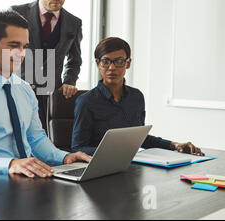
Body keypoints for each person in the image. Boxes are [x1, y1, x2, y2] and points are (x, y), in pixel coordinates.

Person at [0, 10, 91, 180]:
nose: (21, 54)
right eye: (14, 46)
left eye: (25, 47)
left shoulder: (24, 89)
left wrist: (64, 157)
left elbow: (36, 139)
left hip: (28, 182)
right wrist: (9, 164)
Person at [71, 37, 204, 156]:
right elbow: (78, 149)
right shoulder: (86, 101)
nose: (111, 67)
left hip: (131, 166)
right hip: (99, 168)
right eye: (105, 61)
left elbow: (140, 138)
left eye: (118, 61)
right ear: (97, 63)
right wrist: (116, 150)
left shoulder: (136, 97)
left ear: (128, 63)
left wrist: (174, 145)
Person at [11, 0, 82, 130]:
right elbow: (2, 53)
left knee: (46, 143)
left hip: (51, 97)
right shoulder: (17, 13)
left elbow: (75, 60)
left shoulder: (74, 23)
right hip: (19, 91)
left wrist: (69, 81)